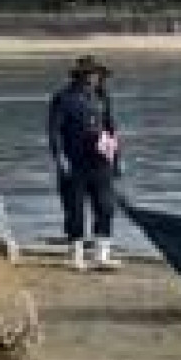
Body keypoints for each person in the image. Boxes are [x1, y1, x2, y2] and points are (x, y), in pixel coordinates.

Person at [48, 56, 120, 271]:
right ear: (82, 76)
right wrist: (59, 158)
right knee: (75, 210)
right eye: (92, 74)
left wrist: (116, 159)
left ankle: (102, 255)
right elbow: (54, 131)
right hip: (74, 162)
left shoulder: (102, 98)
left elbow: (111, 130)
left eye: (98, 75)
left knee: (105, 208)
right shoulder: (63, 98)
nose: (96, 78)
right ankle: (76, 256)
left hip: (100, 162)